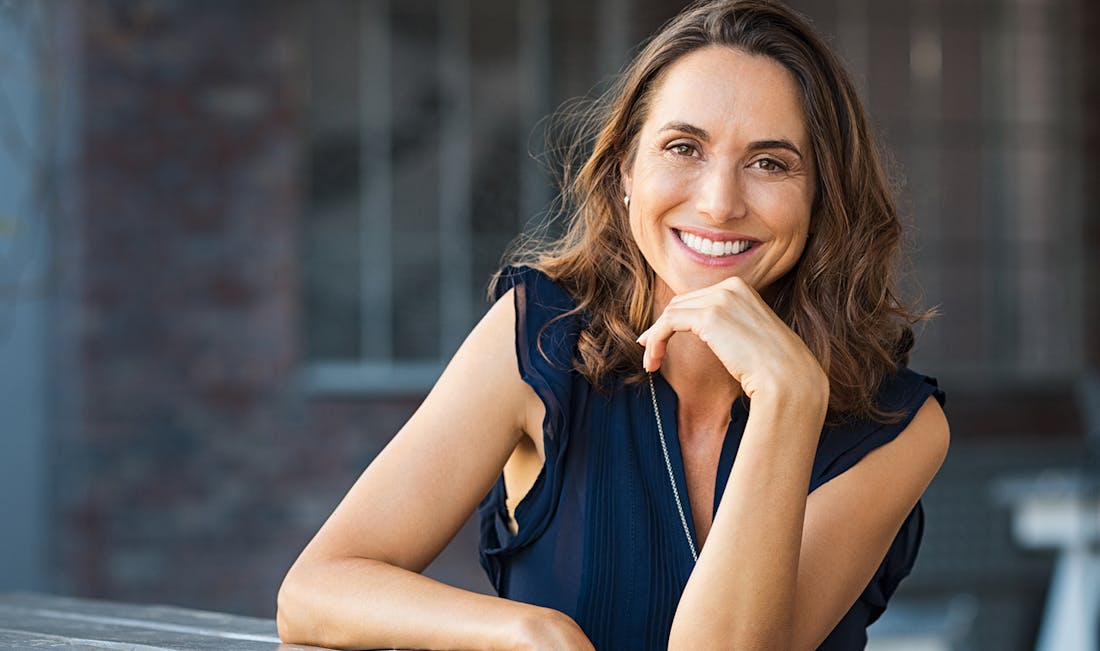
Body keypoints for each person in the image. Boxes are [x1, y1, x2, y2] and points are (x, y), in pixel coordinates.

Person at [276, 0, 950, 648]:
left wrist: (788, 401)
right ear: (627, 169)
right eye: (684, 147)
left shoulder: (899, 423)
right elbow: (315, 589)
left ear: (820, 195)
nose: (718, 203)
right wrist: (528, 630)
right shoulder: (539, 334)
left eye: (770, 163)